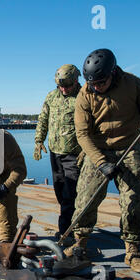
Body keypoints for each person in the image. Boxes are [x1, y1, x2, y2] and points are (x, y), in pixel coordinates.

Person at [64, 48, 140, 275]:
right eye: (92, 83)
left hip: (129, 147)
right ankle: (80, 243)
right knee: (86, 196)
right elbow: (83, 134)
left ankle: (133, 250)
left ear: (113, 72)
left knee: (133, 199)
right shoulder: (84, 95)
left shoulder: (134, 84)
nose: (96, 87)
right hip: (97, 149)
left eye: (101, 82)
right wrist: (100, 162)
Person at [34, 64, 82, 245]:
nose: (64, 89)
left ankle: (66, 232)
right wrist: (39, 140)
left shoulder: (84, 96)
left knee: (71, 192)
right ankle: (70, 224)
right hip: (55, 151)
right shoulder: (52, 96)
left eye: (67, 85)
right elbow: (43, 119)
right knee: (60, 190)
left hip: (75, 154)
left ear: (76, 80)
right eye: (60, 85)